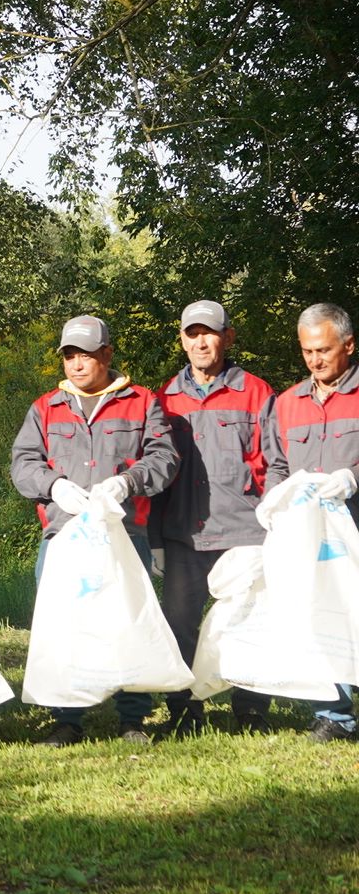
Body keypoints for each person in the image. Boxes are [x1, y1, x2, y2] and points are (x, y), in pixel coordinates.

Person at [11, 314, 179, 746]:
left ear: (106, 354)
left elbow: (164, 458)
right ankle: (66, 719)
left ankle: (132, 719)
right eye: (69, 355)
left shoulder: (142, 402)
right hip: (63, 536)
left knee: (128, 623)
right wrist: (54, 485)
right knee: (64, 626)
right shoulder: (46, 407)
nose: (77, 364)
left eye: (85, 354)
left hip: (125, 534)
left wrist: (129, 481)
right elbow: (23, 464)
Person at [151, 300, 276, 737]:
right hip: (184, 533)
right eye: (192, 334)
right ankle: (184, 709)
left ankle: (251, 709)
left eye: (209, 332)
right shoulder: (166, 397)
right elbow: (157, 472)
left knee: (249, 624)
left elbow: (271, 463)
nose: (201, 342)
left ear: (228, 337)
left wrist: (275, 523)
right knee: (179, 624)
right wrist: (156, 539)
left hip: (245, 530)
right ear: (182, 340)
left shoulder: (256, 392)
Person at [262, 302, 359, 743]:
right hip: (312, 536)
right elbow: (277, 464)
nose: (315, 360)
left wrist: (352, 476)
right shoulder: (287, 403)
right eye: (307, 352)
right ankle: (334, 714)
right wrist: (274, 501)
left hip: (354, 525)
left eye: (324, 350)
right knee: (323, 615)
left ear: (349, 345)